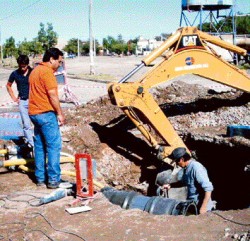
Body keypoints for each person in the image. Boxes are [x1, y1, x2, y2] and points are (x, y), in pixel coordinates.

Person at [28, 48, 65, 189]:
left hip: (34, 114)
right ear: (51, 59)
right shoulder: (47, 73)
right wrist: (60, 113)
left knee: (39, 146)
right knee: (53, 146)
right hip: (46, 114)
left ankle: (40, 179)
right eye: (59, 61)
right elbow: (52, 95)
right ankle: (54, 180)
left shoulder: (35, 71)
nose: (59, 65)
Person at [163, 147, 215, 214]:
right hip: (193, 204)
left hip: (203, 207)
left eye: (176, 161)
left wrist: (204, 207)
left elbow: (208, 188)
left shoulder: (196, 167)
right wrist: (170, 185)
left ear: (182, 159)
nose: (176, 164)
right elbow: (184, 182)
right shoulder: (186, 168)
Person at [6, 55, 34, 147]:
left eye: (24, 66)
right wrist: (14, 98)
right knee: (26, 124)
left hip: (34, 101)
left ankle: (39, 141)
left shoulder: (33, 72)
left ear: (27, 64)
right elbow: (8, 85)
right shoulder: (15, 73)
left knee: (37, 122)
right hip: (22, 101)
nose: (23, 68)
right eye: (21, 66)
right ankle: (31, 143)